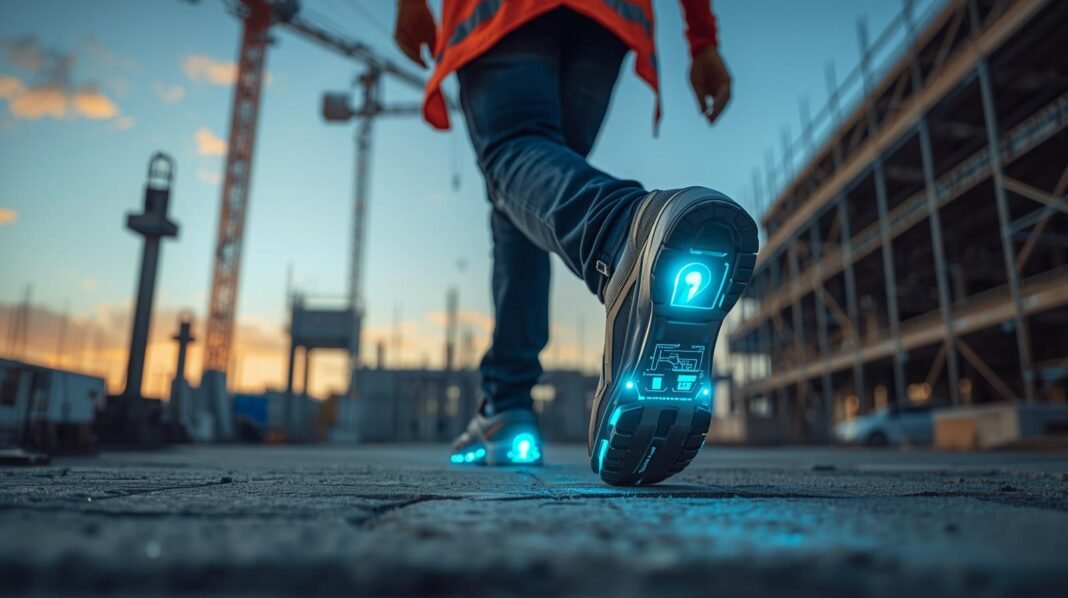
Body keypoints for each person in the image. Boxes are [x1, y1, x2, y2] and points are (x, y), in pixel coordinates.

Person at [394, 0, 758, 485]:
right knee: (531, 193)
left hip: (500, 11)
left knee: (514, 150)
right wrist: (703, 40)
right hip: (606, 17)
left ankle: (623, 234)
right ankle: (505, 405)